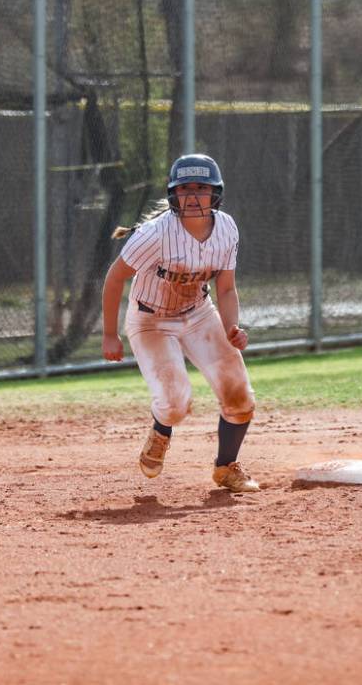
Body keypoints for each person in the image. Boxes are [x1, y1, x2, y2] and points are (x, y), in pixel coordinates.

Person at [101, 153, 259, 492]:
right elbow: (114, 279)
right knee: (175, 404)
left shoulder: (226, 228)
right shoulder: (155, 235)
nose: (192, 196)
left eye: (201, 188)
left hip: (199, 314)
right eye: (184, 188)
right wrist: (109, 335)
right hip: (151, 319)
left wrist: (232, 327)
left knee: (240, 395)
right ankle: (161, 431)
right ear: (173, 195)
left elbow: (226, 287)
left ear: (216, 193)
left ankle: (226, 467)